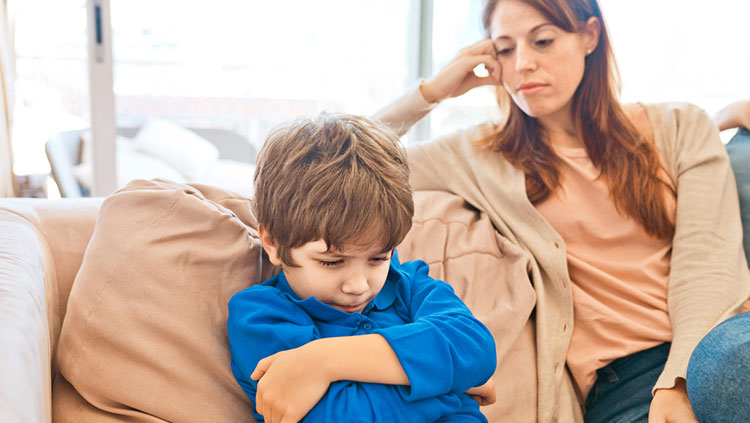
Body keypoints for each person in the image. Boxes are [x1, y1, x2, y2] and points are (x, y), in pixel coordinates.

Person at [374, 0, 750, 422]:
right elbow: (327, 160)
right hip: (620, 386)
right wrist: (432, 92)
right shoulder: (482, 156)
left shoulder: (681, 127)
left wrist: (676, 382)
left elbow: (708, 263)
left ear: (589, 36)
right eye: (505, 49)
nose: (523, 65)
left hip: (713, 347)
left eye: (543, 41)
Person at [226, 113, 497, 423]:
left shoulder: (410, 285)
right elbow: (341, 415)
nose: (358, 285)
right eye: (332, 262)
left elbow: (476, 347)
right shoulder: (260, 316)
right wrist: (454, 387)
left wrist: (325, 361)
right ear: (272, 241)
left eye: (378, 259)